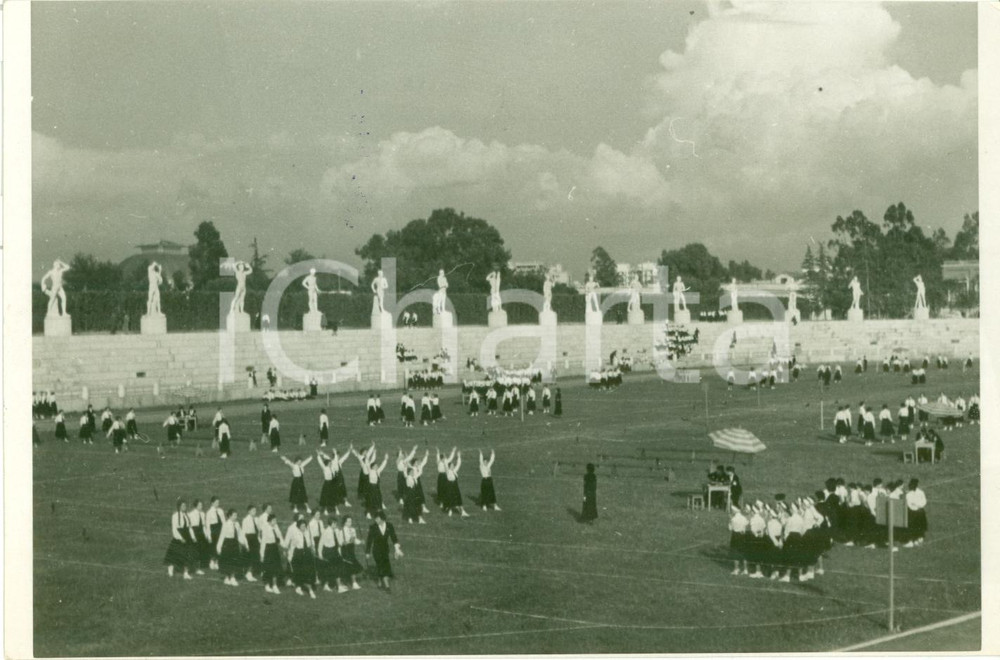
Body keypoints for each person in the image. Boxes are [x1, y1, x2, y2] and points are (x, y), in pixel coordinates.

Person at [366, 510, 404, 591]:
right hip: (376, 550)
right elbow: (369, 540)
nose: (376, 520)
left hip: (385, 550)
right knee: (382, 565)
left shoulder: (389, 526)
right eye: (375, 519)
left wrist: (397, 548)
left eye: (377, 518)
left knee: (383, 565)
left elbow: (394, 537)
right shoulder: (373, 527)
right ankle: (387, 586)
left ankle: (380, 581)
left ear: (382, 518)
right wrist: (367, 552)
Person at [284, 517, 317, 598]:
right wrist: (290, 557)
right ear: (298, 527)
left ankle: (309, 589)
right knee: (299, 572)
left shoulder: (307, 532)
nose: (304, 527)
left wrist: (313, 549)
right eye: (302, 526)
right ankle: (299, 588)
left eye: (305, 526)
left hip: (307, 554)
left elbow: (311, 542)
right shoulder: (296, 535)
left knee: (309, 572)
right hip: (299, 555)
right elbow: (292, 547)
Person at [164, 500, 197, 580]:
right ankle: (170, 570)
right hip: (178, 537)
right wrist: (180, 538)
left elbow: (189, 528)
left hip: (187, 537)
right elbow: (174, 529)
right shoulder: (175, 516)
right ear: (179, 507)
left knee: (188, 555)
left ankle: (186, 573)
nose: (184, 507)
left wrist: (193, 537)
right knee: (174, 555)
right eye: (182, 506)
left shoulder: (187, 515)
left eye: (185, 506)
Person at [216, 509, 249, 587]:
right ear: (230, 516)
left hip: (235, 544)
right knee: (228, 561)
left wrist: (244, 544)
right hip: (227, 544)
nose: (236, 517)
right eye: (234, 515)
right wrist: (219, 547)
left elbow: (240, 535)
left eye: (236, 515)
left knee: (235, 561)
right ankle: (227, 577)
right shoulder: (226, 524)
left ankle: (233, 577)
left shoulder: (237, 524)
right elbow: (222, 536)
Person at [258, 512, 285, 594]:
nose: (275, 522)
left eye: (275, 520)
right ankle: (267, 585)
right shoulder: (266, 529)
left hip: (274, 549)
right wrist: (262, 554)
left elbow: (280, 539)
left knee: (276, 568)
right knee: (268, 568)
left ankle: (274, 585)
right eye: (273, 520)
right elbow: (263, 542)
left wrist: (284, 547)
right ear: (269, 521)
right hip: (268, 549)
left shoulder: (276, 528)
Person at [904, 479, 927, 547]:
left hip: (919, 511)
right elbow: (909, 504)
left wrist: (917, 505)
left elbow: (924, 501)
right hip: (912, 512)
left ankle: (919, 538)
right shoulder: (908, 494)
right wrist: (914, 506)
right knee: (911, 526)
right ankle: (911, 541)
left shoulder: (921, 492)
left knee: (920, 525)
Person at [241, 505, 260, 583]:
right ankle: (248, 573)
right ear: (249, 511)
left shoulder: (257, 519)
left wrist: (259, 539)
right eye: (253, 511)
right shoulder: (245, 520)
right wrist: (246, 544)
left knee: (255, 556)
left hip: (255, 538)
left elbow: (258, 530)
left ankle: (250, 572)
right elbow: (243, 533)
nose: (254, 512)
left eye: (255, 510)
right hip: (249, 539)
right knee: (250, 557)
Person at [205, 497, 225, 571]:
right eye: (216, 502)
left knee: (219, 546)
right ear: (212, 503)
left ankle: (217, 562)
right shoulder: (209, 512)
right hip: (214, 530)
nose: (217, 504)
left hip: (220, 530)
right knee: (213, 546)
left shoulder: (220, 511)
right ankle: (212, 561)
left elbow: (224, 522)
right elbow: (208, 525)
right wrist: (209, 536)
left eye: (218, 502)